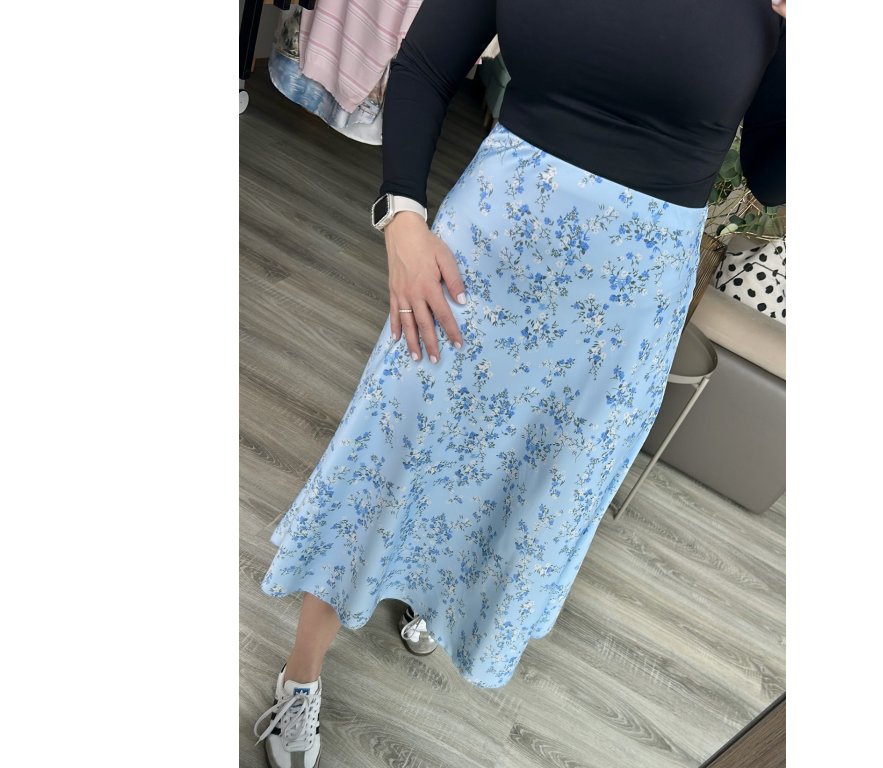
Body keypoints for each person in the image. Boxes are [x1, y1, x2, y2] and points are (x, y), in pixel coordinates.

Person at [252, 1, 786, 765]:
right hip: (484, 260)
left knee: (531, 479)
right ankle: (301, 675)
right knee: (388, 453)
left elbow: (772, 174)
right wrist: (402, 215)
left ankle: (431, 593)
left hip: (623, 317)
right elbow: (427, 64)